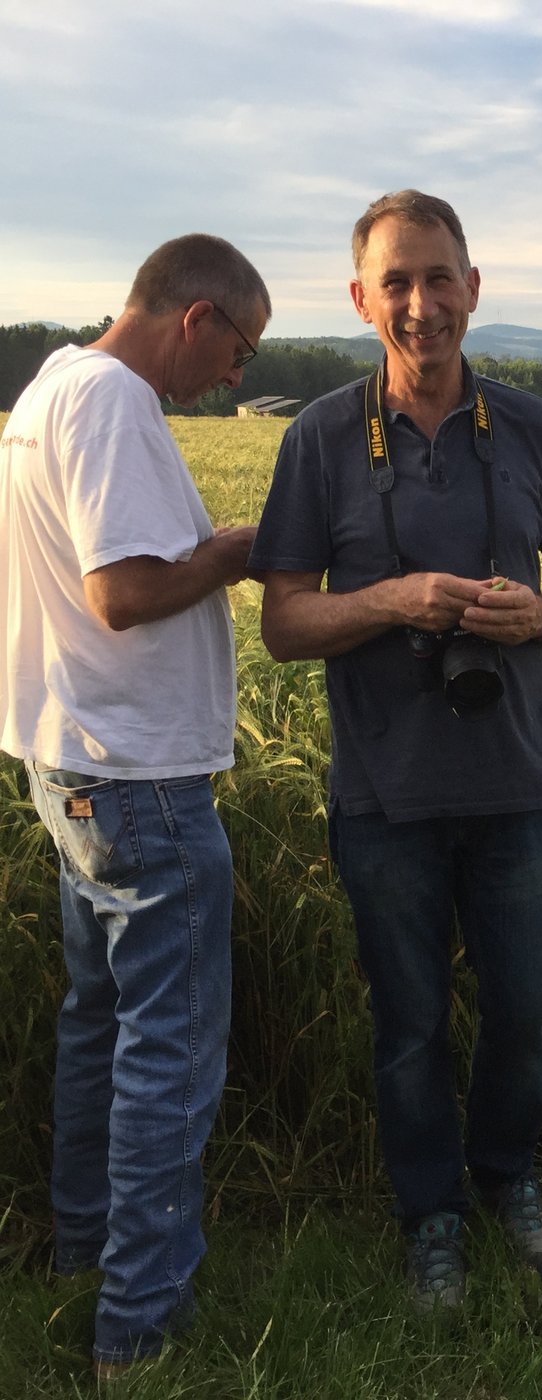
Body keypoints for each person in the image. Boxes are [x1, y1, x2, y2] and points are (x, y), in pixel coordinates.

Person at [250, 190, 542, 1308]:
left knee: (525, 1008)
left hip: (518, 785)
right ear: (361, 299)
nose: (420, 303)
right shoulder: (317, 438)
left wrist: (539, 617)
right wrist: (395, 597)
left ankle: (506, 1175)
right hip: (385, 796)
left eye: (438, 277)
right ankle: (431, 1215)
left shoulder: (533, 427)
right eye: (395, 282)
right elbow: (282, 623)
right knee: (406, 1025)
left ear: (473, 287)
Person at [0, 235, 269, 1374]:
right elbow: (125, 589)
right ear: (195, 316)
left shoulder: (51, 385)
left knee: (99, 1022)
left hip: (73, 762)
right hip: (140, 777)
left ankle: (79, 1255)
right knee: (172, 1043)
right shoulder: (112, 399)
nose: (237, 378)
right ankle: (138, 1329)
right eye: (239, 348)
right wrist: (240, 550)